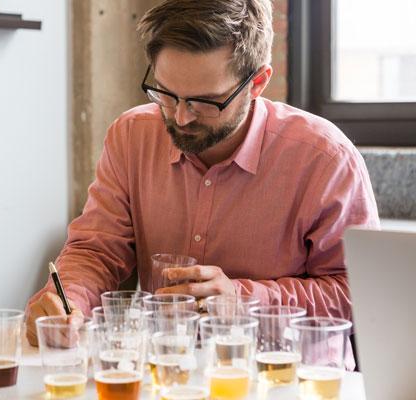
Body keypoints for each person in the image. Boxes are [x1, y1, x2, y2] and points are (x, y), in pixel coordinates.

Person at [25, 0, 379, 348]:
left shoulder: (325, 159)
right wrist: (69, 299)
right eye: (166, 93)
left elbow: (361, 294)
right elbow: (97, 250)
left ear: (257, 83)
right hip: (168, 368)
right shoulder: (132, 135)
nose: (180, 118)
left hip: (287, 376)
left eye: (206, 102)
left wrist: (242, 299)